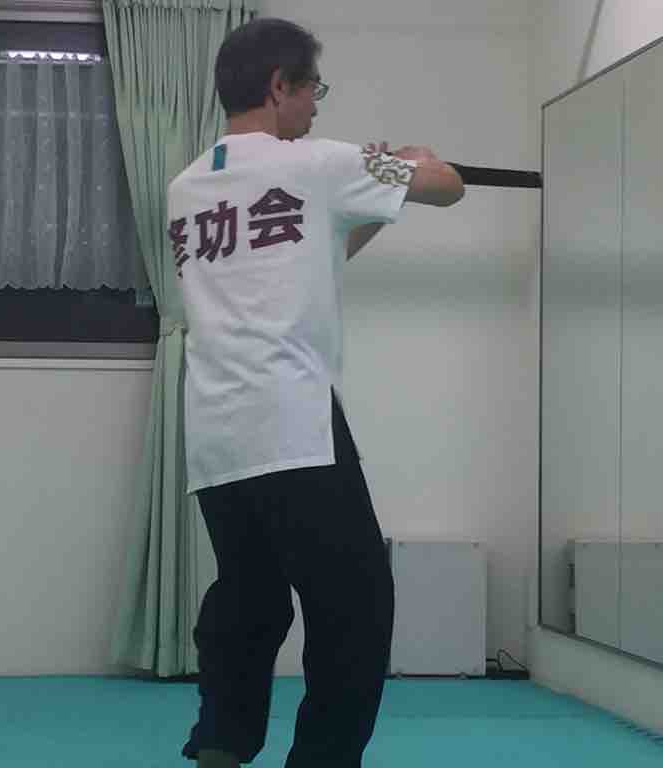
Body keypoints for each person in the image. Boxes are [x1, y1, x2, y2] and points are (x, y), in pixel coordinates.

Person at [167, 17, 465, 768]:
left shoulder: (186, 187)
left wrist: (374, 197)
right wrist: (408, 163)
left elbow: (314, 250)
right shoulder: (320, 162)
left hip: (215, 431)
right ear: (279, 87)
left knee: (250, 596)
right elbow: (450, 188)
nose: (314, 108)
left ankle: (222, 741)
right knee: (356, 605)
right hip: (293, 421)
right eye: (312, 91)